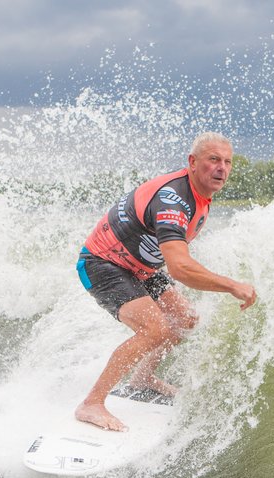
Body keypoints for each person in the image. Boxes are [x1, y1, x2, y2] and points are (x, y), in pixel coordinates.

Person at [75, 132, 257, 431]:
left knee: (184, 318)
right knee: (154, 328)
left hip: (140, 268)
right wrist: (231, 285)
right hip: (104, 263)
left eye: (227, 162)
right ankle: (91, 403)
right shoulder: (173, 200)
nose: (221, 168)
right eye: (213, 160)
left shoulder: (199, 195)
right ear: (193, 162)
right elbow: (180, 267)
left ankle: (143, 379)